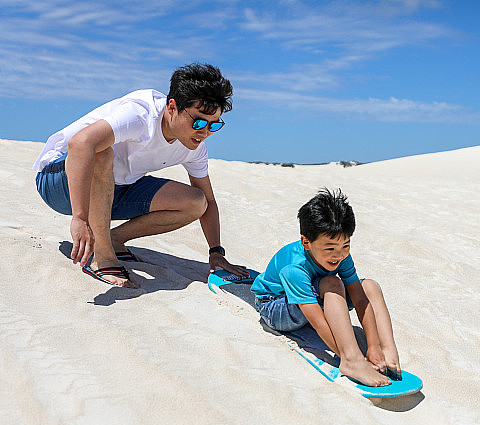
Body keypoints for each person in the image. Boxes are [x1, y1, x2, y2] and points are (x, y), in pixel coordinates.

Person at [33, 63, 248, 288]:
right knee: (101, 153)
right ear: (172, 107)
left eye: (214, 125)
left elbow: (209, 201)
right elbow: (80, 144)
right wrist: (79, 217)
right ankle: (103, 257)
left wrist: (216, 252)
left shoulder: (194, 147)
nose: (204, 132)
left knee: (196, 202)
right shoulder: (140, 114)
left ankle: (114, 239)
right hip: (59, 180)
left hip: (115, 189)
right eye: (199, 122)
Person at [251, 189, 403, 387]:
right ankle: (351, 361)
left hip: (314, 295)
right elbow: (317, 320)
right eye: (330, 248)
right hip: (275, 305)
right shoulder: (294, 268)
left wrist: (373, 345)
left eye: (345, 245)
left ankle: (388, 351)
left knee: (369, 286)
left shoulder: (341, 255)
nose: (338, 255)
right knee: (332, 283)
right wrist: (346, 354)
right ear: (306, 242)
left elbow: (360, 298)